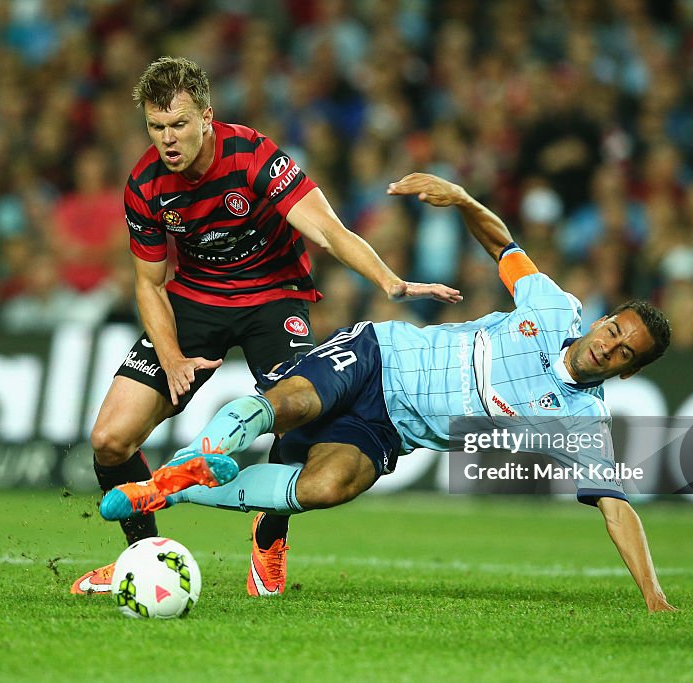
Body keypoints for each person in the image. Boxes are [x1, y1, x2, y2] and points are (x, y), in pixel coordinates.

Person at [100, 173, 678, 613]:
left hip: (391, 428)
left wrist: (653, 596)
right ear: (604, 319)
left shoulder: (581, 420)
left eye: (626, 351)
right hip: (381, 355)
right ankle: (201, 458)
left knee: (326, 486)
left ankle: (164, 489)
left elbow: (617, 508)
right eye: (614, 329)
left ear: (629, 371)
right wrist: (464, 200)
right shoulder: (555, 307)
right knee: (292, 403)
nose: (609, 345)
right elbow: (504, 247)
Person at [71, 59, 461, 595]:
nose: (168, 139)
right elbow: (150, 284)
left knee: (297, 414)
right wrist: (172, 358)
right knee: (109, 440)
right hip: (196, 303)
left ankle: (269, 535)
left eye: (179, 124)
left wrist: (390, 282)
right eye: (157, 128)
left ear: (207, 116)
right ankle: (141, 556)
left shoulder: (254, 157)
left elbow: (327, 230)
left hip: (275, 298)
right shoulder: (145, 184)